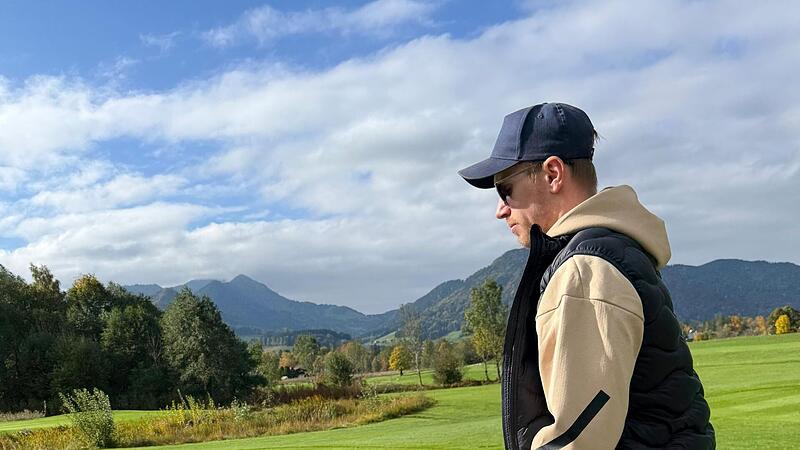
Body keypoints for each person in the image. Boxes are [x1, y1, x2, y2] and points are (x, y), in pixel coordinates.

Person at [458, 103, 715, 450]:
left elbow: (577, 440)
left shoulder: (585, 271)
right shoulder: (617, 251)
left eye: (506, 190)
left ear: (553, 174)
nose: (500, 210)